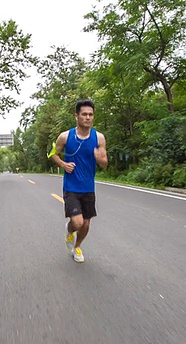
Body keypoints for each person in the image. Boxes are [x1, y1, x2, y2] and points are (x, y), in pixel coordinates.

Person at [50, 99, 108, 262]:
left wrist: (99, 159)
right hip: (71, 187)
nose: (88, 117)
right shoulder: (65, 136)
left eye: (90, 114)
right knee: (77, 222)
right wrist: (62, 164)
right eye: (84, 114)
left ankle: (77, 247)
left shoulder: (99, 138)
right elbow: (52, 152)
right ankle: (69, 231)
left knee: (86, 225)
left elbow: (105, 164)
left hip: (88, 188)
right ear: (77, 116)